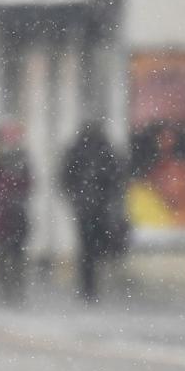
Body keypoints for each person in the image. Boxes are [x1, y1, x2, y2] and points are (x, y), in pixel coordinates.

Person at [60, 121, 127, 303]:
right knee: (95, 248)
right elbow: (116, 177)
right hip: (96, 208)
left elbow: (66, 177)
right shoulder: (103, 150)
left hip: (89, 208)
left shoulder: (79, 150)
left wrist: (76, 198)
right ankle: (91, 285)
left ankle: (88, 286)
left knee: (87, 248)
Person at [0, 121, 32, 304]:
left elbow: (28, 183)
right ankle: (5, 286)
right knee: (4, 251)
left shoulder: (21, 159)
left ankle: (15, 285)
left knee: (16, 252)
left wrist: (15, 195)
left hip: (14, 213)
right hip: (3, 213)